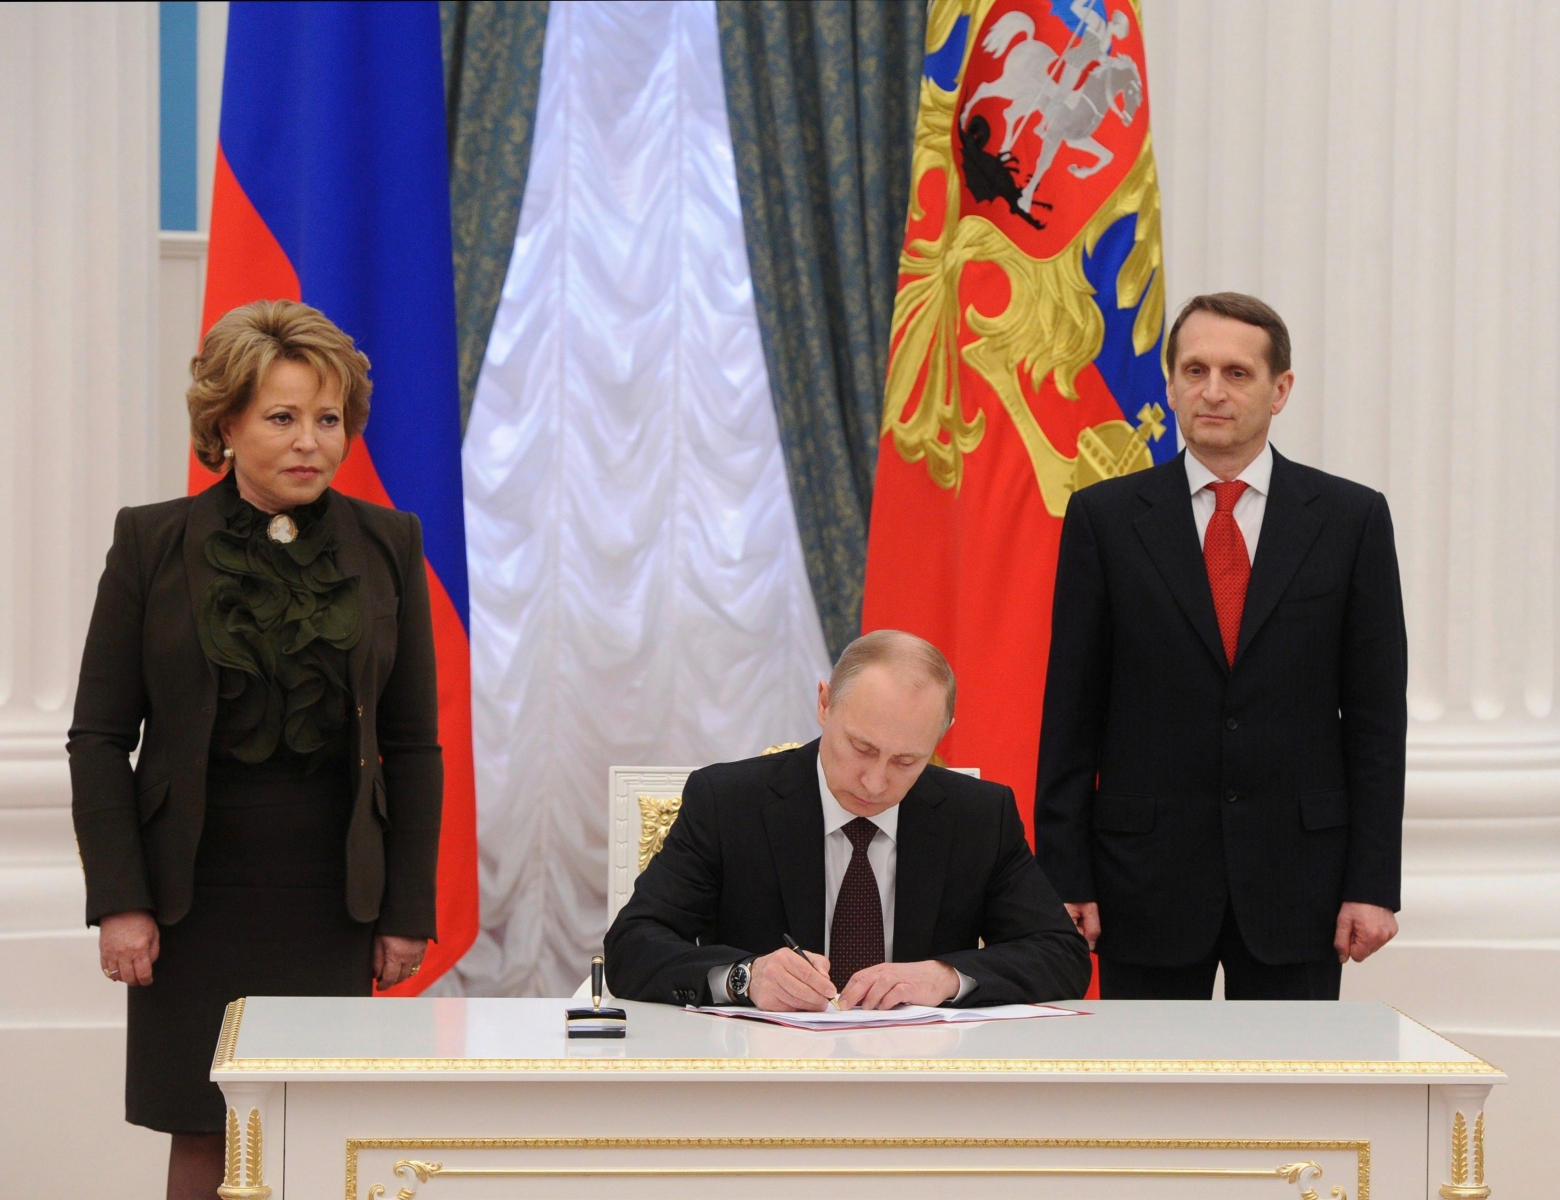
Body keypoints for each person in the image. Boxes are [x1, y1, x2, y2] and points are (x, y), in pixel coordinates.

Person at [68, 300, 443, 1199]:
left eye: (329, 419)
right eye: (282, 417)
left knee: (323, 1131)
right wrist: (120, 900)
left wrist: (405, 905)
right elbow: (99, 738)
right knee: (204, 1132)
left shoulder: (390, 544)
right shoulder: (151, 541)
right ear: (226, 424)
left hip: (331, 897)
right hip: (190, 900)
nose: (310, 441)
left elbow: (413, 745)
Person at [1035, 292, 1407, 1001]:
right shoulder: (1104, 520)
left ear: (1280, 390)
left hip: (1302, 882)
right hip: (1140, 878)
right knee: (1147, 1103)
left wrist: (1372, 884)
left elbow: (1377, 722)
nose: (1213, 391)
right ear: (1170, 382)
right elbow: (1071, 712)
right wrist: (1065, 873)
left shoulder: (1351, 520)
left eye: (1237, 373)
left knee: (1288, 1102)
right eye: (1195, 369)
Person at [605, 631, 1091, 1011]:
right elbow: (631, 947)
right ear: (824, 703)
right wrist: (745, 977)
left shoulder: (979, 816)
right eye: (861, 748)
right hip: (760, 1078)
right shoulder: (729, 803)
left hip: (924, 1083)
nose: (876, 783)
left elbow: (1062, 956)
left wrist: (945, 977)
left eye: (906, 761)